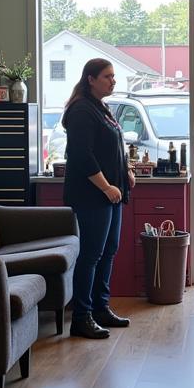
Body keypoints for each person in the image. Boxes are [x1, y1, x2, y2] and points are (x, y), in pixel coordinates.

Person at [61, 58, 135, 339]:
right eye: (107, 76)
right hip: (92, 195)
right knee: (90, 255)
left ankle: (101, 308)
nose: (113, 81)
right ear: (90, 79)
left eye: (114, 76)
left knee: (109, 251)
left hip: (112, 194)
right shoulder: (81, 110)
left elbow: (114, 144)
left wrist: (126, 169)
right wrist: (105, 186)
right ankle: (82, 317)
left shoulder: (102, 108)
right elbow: (82, 155)